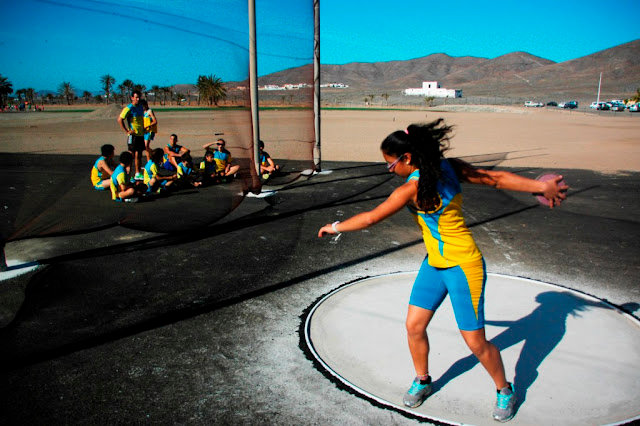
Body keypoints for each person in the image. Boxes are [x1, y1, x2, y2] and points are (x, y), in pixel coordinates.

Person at [317, 120, 568, 423]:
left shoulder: (417, 185)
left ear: (407, 158)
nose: (389, 169)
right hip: (434, 264)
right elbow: (498, 178)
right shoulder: (443, 170)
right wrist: (541, 186)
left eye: (390, 163)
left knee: (476, 342)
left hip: (464, 265)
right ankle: (423, 380)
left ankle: (505, 389)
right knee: (413, 326)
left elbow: (371, 218)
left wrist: (334, 227)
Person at [117, 90, 145, 180]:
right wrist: (127, 131)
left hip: (140, 135)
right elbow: (120, 119)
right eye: (136, 97)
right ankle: (128, 174)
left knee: (139, 155)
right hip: (133, 136)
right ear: (132, 98)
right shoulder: (129, 108)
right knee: (131, 155)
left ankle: (137, 173)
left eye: (138, 97)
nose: (137, 99)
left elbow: (141, 120)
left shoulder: (141, 107)